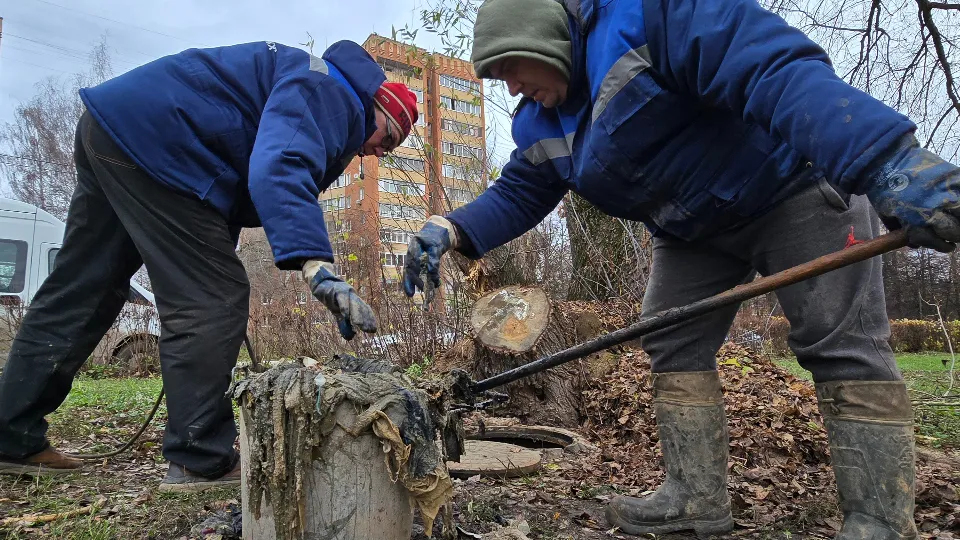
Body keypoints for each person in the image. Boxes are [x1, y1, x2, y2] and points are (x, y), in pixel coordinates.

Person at [403, 0, 959, 537]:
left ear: (541, 39)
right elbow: (520, 191)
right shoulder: (539, 123)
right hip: (693, 232)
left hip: (790, 188)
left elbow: (769, 68)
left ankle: (880, 520)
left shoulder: (650, 16)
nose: (511, 88)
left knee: (837, 339)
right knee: (670, 336)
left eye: (509, 70)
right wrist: (449, 229)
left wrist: (885, 159)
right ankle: (695, 499)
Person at [0, 39, 419, 492]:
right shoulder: (332, 92)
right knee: (212, 299)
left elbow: (237, 162)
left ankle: (10, 435)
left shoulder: (316, 82)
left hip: (117, 129)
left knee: (83, 287)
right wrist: (317, 267)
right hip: (162, 145)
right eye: (388, 137)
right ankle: (199, 458)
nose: (379, 151)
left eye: (390, 149)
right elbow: (279, 165)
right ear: (378, 105)